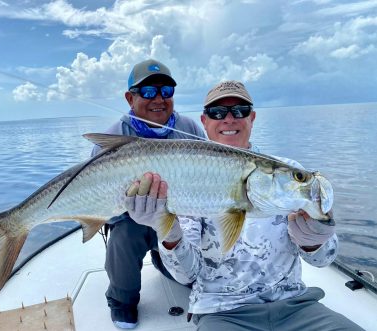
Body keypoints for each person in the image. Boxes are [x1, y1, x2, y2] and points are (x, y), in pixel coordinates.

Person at [124, 81, 364, 330]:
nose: (229, 119)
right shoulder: (186, 178)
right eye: (217, 112)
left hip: (296, 306)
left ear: (252, 118)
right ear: (204, 121)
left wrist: (314, 240)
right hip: (223, 313)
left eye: (240, 110)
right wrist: (169, 233)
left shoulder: (287, 172)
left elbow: (323, 260)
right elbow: (187, 274)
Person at [92, 59, 206, 329]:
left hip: (180, 216)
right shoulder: (114, 135)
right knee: (125, 233)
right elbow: (99, 200)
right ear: (129, 98)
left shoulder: (189, 129)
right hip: (130, 219)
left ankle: (163, 260)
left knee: (187, 274)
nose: (158, 99)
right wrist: (135, 209)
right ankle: (122, 300)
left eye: (166, 91)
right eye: (147, 92)